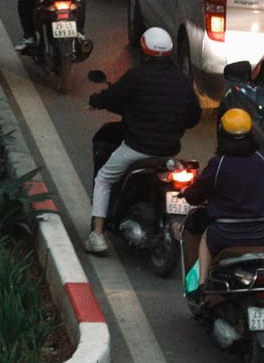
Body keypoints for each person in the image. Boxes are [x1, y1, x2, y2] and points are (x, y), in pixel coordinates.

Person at [84, 27, 202, 254]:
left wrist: (95, 100)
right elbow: (193, 116)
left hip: (136, 148)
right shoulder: (182, 81)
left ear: (145, 50)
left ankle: (97, 235)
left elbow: (113, 96)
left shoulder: (137, 76)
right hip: (168, 151)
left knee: (104, 179)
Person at [179, 106, 264, 286]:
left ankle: (201, 286)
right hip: (262, 232)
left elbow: (195, 196)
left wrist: (187, 192)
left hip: (226, 234)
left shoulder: (219, 164)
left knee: (205, 238)